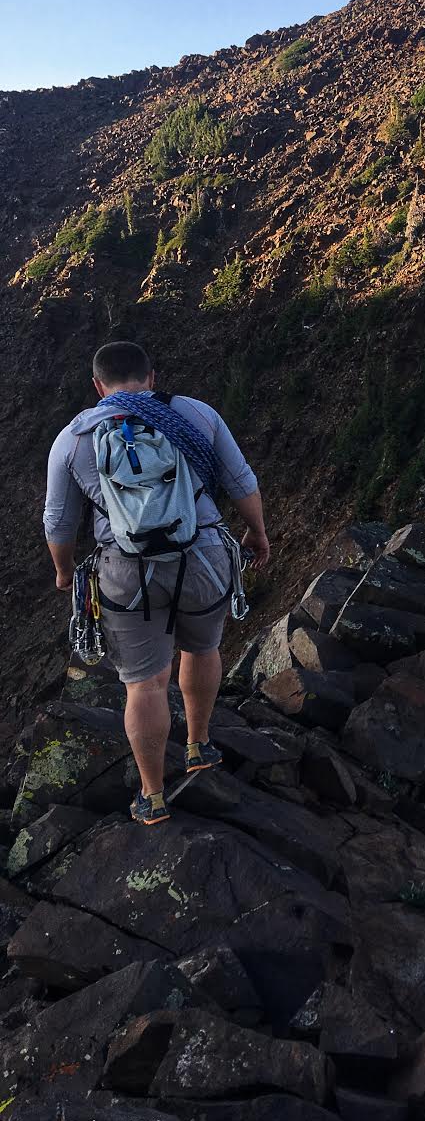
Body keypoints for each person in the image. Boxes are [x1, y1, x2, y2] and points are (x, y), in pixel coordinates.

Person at [43, 341, 270, 826]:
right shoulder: (194, 414)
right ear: (151, 377)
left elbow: (58, 524)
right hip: (204, 557)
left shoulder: (75, 437)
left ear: (98, 386)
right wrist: (257, 532)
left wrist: (64, 572)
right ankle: (198, 745)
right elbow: (241, 481)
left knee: (145, 684)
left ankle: (153, 796)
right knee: (202, 649)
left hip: (126, 574)